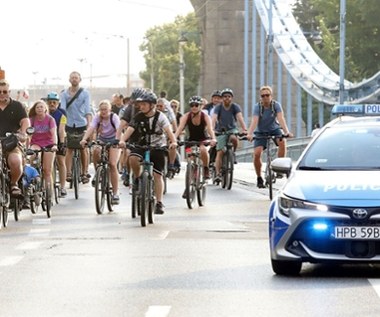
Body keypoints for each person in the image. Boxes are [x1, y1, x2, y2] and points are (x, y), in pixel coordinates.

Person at [118, 89, 177, 215]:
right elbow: (130, 129)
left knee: (157, 175)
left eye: (144, 104)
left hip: (158, 147)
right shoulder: (138, 116)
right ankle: (139, 178)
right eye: (141, 104)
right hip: (142, 144)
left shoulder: (161, 117)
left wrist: (173, 142)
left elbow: (169, 131)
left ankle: (159, 203)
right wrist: (122, 140)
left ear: (152, 105)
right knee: (132, 158)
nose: (141, 106)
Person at [247, 85, 293, 188]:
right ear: (260, 97)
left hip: (274, 129)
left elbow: (281, 119)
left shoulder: (276, 105)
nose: (265, 98)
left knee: (282, 142)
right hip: (261, 132)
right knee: (257, 154)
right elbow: (255, 120)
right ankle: (259, 178)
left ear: (271, 96)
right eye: (263, 96)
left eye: (267, 95)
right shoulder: (257, 107)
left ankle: (280, 167)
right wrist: (249, 133)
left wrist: (286, 132)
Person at [80, 100, 121, 205]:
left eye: (105, 109)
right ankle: (98, 172)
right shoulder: (97, 118)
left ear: (110, 109)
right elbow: (91, 128)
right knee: (96, 151)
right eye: (101, 109)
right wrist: (84, 139)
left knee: (112, 164)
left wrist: (117, 141)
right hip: (102, 139)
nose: (103, 112)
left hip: (114, 140)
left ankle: (115, 193)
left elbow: (118, 129)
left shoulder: (114, 117)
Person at [60, 71, 92, 185]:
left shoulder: (85, 93)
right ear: (69, 80)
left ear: (80, 79)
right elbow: (63, 111)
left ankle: (84, 173)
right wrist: (62, 127)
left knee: (83, 148)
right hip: (69, 123)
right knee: (69, 148)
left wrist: (89, 126)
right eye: (72, 78)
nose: (74, 79)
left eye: (76, 78)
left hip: (81, 123)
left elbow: (88, 110)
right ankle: (68, 173)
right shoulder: (64, 94)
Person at [175, 95, 216, 181]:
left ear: (201, 106)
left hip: (203, 139)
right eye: (192, 105)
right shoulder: (186, 116)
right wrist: (174, 139)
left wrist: (213, 138)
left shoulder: (205, 117)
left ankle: (206, 169)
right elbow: (179, 128)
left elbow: (210, 129)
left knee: (203, 150)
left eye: (196, 105)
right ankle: (191, 176)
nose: (194, 107)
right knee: (190, 156)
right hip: (190, 140)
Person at [0, 79, 30, 198]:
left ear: (9, 92)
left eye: (5, 91)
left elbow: (25, 121)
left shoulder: (17, 106)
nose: (2, 94)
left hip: (12, 142)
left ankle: (13, 184)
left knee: (16, 161)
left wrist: (23, 134)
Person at [211, 88, 248, 182]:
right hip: (221, 130)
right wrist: (212, 129)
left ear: (232, 98)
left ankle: (233, 153)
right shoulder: (218, 107)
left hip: (232, 129)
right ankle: (218, 173)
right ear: (222, 98)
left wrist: (244, 129)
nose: (227, 98)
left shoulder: (235, 107)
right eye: (225, 97)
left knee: (234, 138)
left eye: (229, 96)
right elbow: (214, 119)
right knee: (220, 152)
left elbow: (240, 118)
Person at [116, 87, 145, 187]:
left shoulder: (149, 109)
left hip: (148, 137)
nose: (137, 104)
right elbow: (122, 123)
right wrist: (118, 138)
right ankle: (128, 174)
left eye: (139, 101)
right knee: (128, 154)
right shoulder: (130, 109)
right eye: (135, 101)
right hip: (132, 136)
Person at [28, 100, 58, 190]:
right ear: (35, 109)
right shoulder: (32, 120)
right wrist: (27, 147)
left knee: (47, 170)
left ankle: (49, 192)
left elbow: (54, 133)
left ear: (45, 109)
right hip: (36, 143)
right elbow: (28, 135)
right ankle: (33, 177)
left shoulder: (50, 119)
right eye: (37, 107)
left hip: (48, 144)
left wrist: (55, 145)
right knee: (32, 154)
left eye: (41, 107)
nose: (39, 109)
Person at [47, 92, 67, 197]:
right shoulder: (44, 113)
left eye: (54, 102)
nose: (52, 104)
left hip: (60, 138)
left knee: (61, 161)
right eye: (50, 102)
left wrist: (62, 143)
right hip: (46, 140)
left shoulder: (62, 113)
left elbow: (61, 129)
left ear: (58, 103)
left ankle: (63, 187)